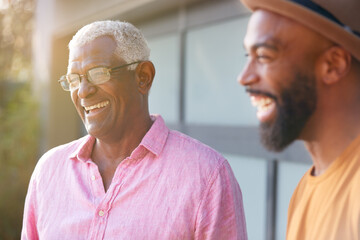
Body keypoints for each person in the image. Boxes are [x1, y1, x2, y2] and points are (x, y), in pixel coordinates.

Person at [22, 21, 247, 239]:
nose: (82, 91)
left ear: (143, 77)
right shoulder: (48, 172)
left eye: (98, 73)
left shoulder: (206, 176)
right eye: (74, 79)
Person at [237, 0, 360, 239]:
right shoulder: (304, 191)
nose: (244, 77)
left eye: (263, 56)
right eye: (247, 55)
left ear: (333, 65)